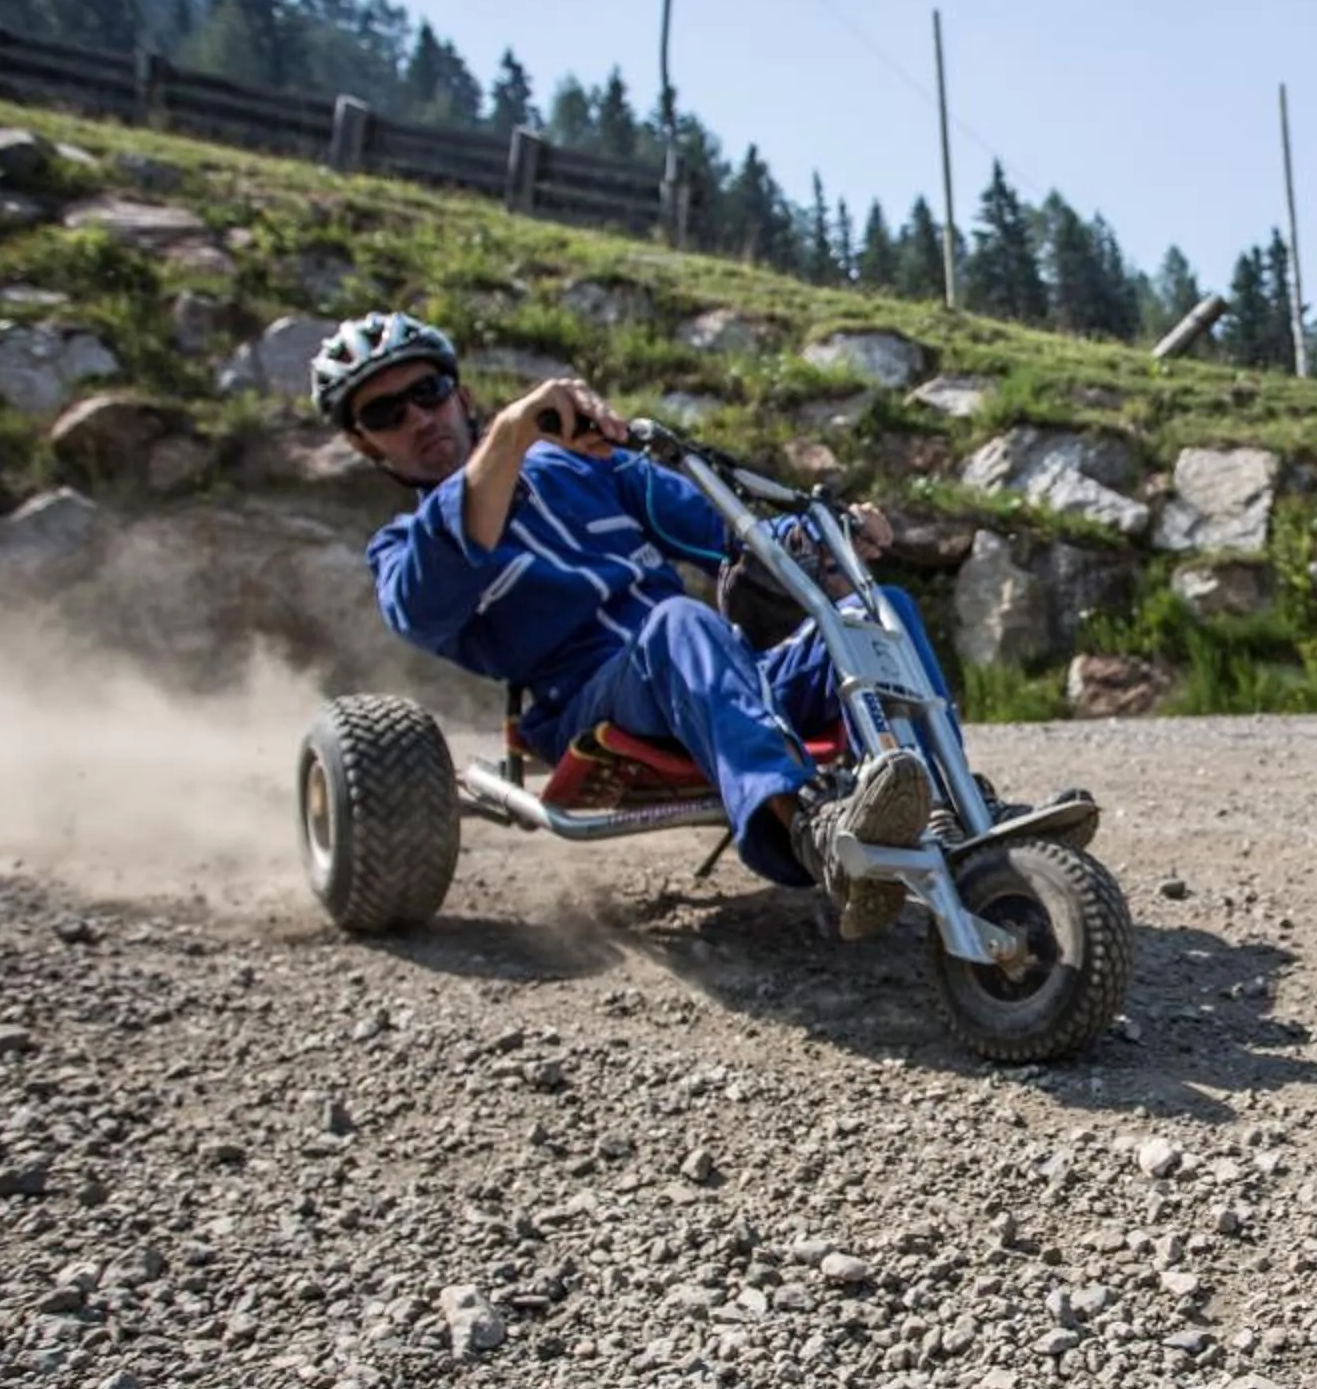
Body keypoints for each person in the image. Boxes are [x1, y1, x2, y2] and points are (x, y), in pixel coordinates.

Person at [315, 309, 953, 938]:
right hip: (592, 710)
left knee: (880, 610)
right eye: (385, 414)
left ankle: (950, 813)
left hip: (721, 678)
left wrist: (821, 538)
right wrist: (512, 433)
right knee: (681, 623)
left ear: (461, 394)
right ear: (364, 444)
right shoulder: (402, 550)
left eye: (428, 393)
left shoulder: (582, 468)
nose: (419, 418)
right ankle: (809, 832)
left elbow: (726, 534)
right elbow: (433, 592)